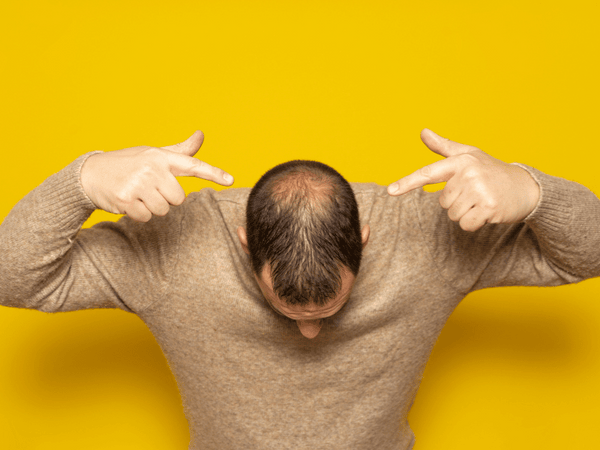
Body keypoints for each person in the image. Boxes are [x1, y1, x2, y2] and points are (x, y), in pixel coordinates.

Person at [1, 128, 599, 450]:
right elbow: (13, 277)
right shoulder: (175, 250)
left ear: (365, 240)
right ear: (241, 243)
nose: (310, 333)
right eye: (287, 311)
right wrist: (81, 179)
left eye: (329, 310)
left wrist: (531, 189)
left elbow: (585, 256)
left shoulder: (426, 237)